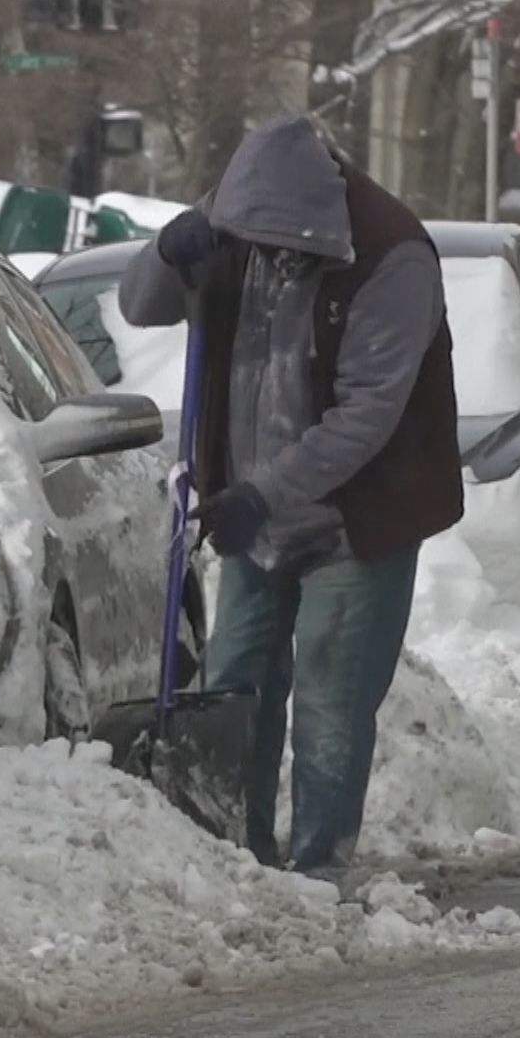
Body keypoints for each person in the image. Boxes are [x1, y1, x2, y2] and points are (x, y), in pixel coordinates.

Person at [118, 115, 463, 883]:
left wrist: (262, 493)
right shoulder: (230, 224)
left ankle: (317, 871)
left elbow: (368, 413)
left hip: (356, 517)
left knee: (330, 705)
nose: (267, 259)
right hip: (252, 511)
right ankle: (237, 862)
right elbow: (142, 308)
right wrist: (164, 255)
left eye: (282, 249)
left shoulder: (390, 255)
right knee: (234, 684)